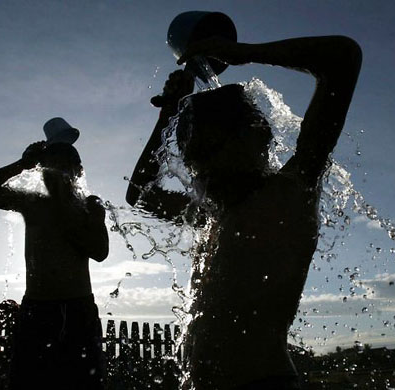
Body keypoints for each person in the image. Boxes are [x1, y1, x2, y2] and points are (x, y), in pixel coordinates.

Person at [126, 35, 362, 389]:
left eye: (209, 149)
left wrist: (245, 54)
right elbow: (140, 196)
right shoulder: (212, 214)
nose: (197, 169)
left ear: (257, 136)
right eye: (192, 157)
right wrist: (167, 115)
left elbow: (343, 57)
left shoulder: (290, 191)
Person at [0, 117, 109, 389]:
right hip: (37, 309)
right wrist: (21, 165)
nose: (56, 174)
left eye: (64, 168)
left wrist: (61, 206)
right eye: (50, 168)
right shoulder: (32, 203)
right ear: (41, 170)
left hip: (78, 310)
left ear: (78, 171)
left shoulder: (91, 206)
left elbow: (100, 252)